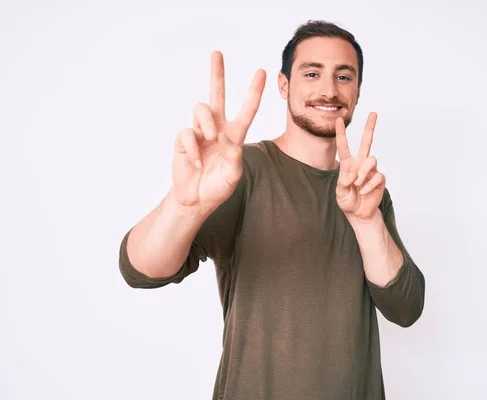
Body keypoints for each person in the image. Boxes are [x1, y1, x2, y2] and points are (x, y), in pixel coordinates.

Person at [118, 20, 425, 400]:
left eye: (344, 77)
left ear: (358, 91)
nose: (329, 90)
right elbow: (140, 271)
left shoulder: (366, 191)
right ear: (284, 85)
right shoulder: (241, 170)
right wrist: (184, 206)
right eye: (312, 73)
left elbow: (406, 308)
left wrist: (366, 220)